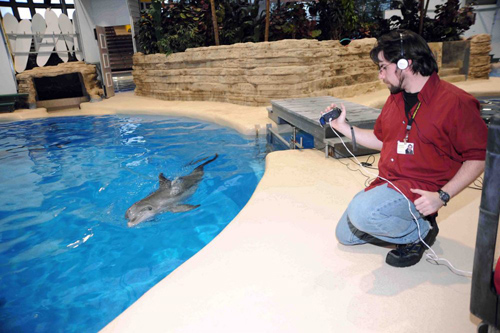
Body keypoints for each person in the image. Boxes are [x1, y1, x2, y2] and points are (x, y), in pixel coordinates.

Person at [326, 29, 488, 268]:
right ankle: (406, 225)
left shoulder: (456, 103)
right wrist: (343, 127)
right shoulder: (395, 99)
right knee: (345, 235)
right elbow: (382, 140)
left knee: (362, 212)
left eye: (383, 67)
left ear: (405, 63)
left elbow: (480, 157)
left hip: (422, 190)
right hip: (390, 182)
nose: (380, 76)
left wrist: (442, 197)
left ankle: (420, 230)